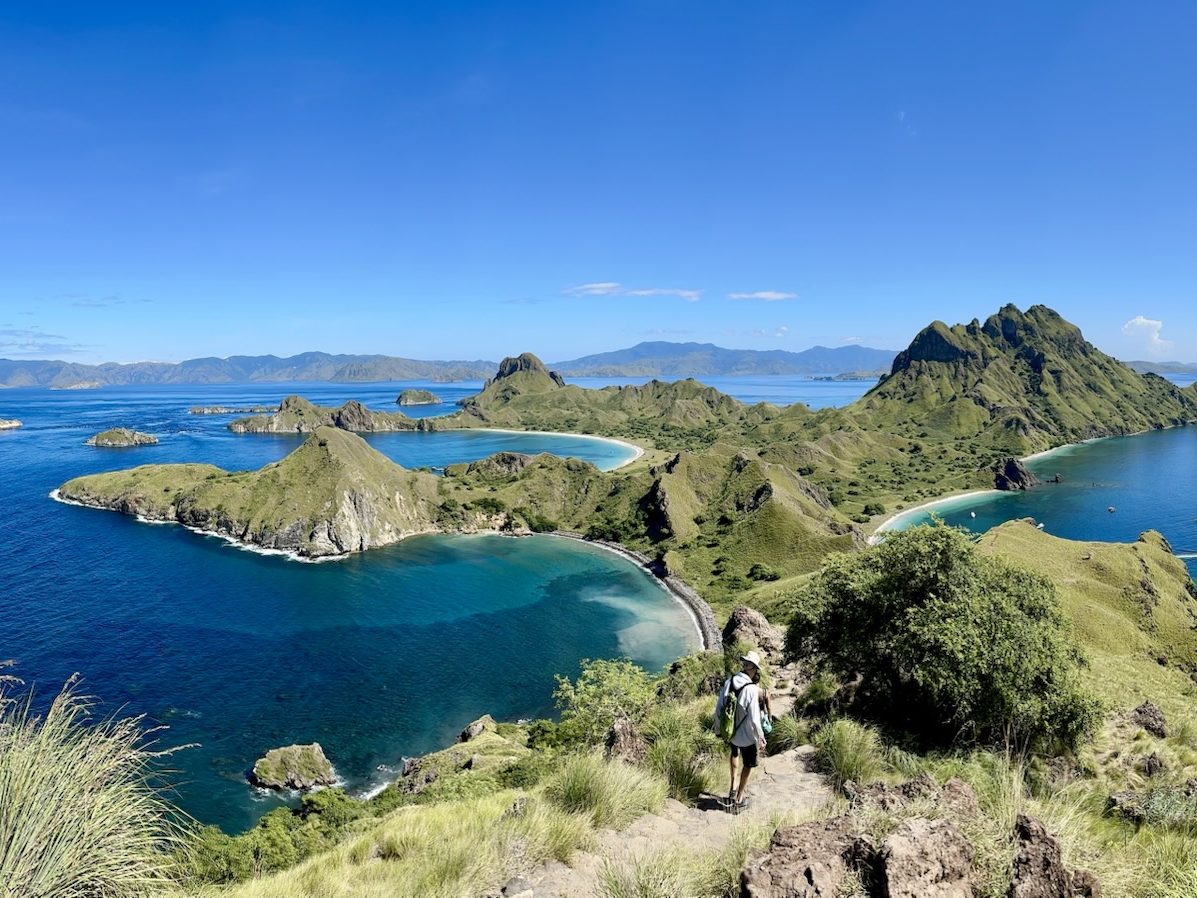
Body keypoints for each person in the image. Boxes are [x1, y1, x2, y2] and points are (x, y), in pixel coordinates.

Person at [713, 650, 767, 810]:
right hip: (747, 736)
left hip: (730, 732)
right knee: (749, 764)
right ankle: (739, 799)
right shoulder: (751, 689)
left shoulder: (729, 681)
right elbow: (755, 719)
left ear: (744, 665)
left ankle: (733, 787)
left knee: (734, 754)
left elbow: (719, 707)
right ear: (755, 669)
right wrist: (761, 737)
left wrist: (717, 728)